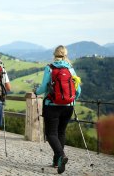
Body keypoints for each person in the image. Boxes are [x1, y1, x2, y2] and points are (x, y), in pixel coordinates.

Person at [35, 45, 81, 174]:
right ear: (66, 55)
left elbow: (44, 87)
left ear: (54, 54)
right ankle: (57, 161)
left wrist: (36, 91)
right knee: (61, 132)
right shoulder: (70, 69)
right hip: (68, 106)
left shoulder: (49, 68)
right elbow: (78, 89)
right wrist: (72, 98)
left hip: (52, 105)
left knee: (51, 134)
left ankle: (61, 156)